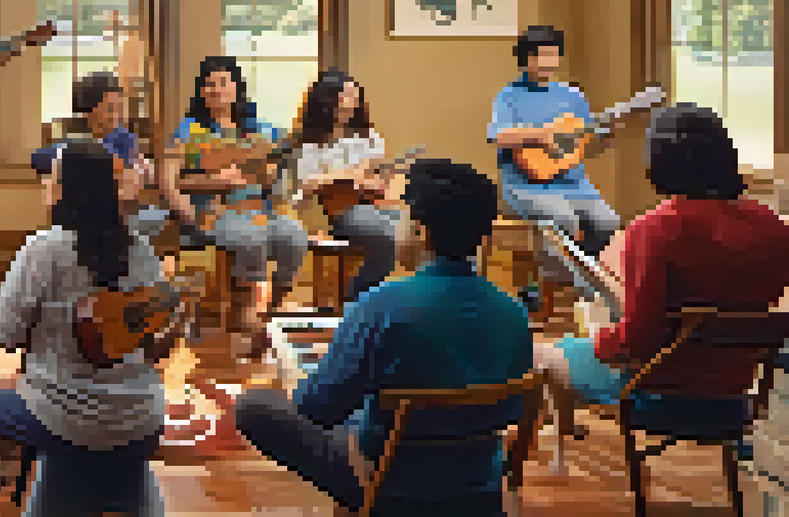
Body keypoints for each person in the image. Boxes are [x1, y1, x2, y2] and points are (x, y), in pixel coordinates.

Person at [235, 158, 534, 515]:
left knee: (254, 407)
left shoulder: (380, 305)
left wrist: (294, 378)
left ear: (421, 232)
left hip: (387, 485)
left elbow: (318, 409)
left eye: (401, 219)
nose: (396, 230)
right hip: (477, 488)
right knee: (367, 404)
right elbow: (511, 409)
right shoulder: (514, 313)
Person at [534, 104, 789, 472]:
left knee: (545, 354)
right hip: (735, 396)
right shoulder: (775, 228)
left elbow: (638, 339)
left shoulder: (656, 230)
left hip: (656, 392)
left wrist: (599, 338)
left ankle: (552, 466)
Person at [0, 142, 174, 514]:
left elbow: (2, 335)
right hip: (143, 419)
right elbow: (155, 339)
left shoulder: (44, 249)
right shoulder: (141, 250)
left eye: (51, 179)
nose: (45, 186)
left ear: (66, 190)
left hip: (64, 422)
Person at [161, 55, 308, 357]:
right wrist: (215, 182)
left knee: (294, 235)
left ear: (237, 89)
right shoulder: (189, 130)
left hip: (260, 209)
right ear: (201, 91)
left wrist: (271, 175)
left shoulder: (259, 129)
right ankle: (246, 315)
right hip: (216, 213)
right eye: (209, 84)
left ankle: (270, 310)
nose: (216, 90)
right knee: (250, 237)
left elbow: (276, 180)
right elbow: (173, 181)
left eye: (223, 83)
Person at [487, 25, 621, 316]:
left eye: (552, 55)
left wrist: (608, 135)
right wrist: (540, 136)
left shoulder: (573, 96)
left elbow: (586, 146)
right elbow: (499, 137)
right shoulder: (509, 96)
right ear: (525, 59)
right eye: (539, 56)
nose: (547, 62)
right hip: (523, 185)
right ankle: (579, 295)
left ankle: (587, 287)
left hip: (575, 185)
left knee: (608, 222)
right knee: (564, 218)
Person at [288, 68, 401, 303]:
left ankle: (403, 301)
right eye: (345, 96)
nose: (351, 103)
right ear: (326, 100)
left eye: (354, 96)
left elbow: (380, 179)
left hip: (370, 205)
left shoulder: (368, 137)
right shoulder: (307, 141)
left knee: (417, 227)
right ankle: (357, 299)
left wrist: (373, 183)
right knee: (386, 233)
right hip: (331, 211)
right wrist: (345, 177)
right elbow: (304, 184)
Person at [33, 71, 166, 237]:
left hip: (114, 213)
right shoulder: (73, 140)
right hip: (81, 214)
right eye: (110, 109)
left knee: (156, 216)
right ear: (89, 112)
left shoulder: (124, 138)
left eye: (120, 108)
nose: (117, 115)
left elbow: (124, 163)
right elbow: (38, 157)